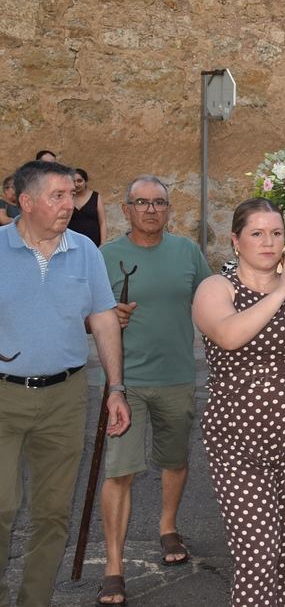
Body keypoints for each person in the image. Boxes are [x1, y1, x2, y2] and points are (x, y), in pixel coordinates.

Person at [191, 198, 285, 607]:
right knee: (257, 553)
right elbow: (227, 335)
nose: (269, 242)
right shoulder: (215, 288)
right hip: (236, 437)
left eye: (276, 233)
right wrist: (281, 291)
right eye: (257, 233)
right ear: (235, 241)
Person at [0, 161, 130, 607]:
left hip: (67, 396)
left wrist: (116, 388)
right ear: (26, 201)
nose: (70, 205)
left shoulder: (86, 252)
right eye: (58, 196)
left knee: (53, 514)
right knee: (0, 508)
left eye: (72, 195)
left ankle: (33, 601)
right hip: (3, 396)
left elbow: (103, 320)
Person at [97, 176, 211, 605]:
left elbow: (210, 301)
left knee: (175, 459)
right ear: (125, 209)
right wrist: (106, 317)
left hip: (178, 378)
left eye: (159, 202)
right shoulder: (105, 257)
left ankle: (168, 527)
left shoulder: (187, 252)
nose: (150, 209)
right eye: (140, 202)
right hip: (123, 384)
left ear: (169, 209)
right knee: (120, 470)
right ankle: (113, 565)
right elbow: (83, 313)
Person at [68, 167, 106, 246]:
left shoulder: (96, 197)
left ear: (86, 181)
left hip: (93, 240)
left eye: (80, 181)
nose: (76, 184)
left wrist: (103, 243)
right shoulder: (68, 197)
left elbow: (102, 222)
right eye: (73, 181)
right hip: (72, 241)